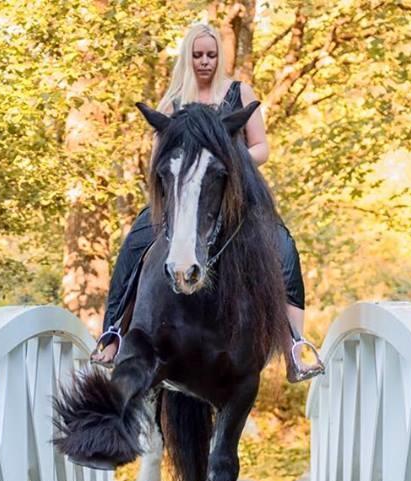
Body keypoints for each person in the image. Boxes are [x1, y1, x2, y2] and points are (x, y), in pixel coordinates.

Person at [91, 23, 324, 383]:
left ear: (220, 57)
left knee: (284, 246)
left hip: (232, 195)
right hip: (181, 198)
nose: (204, 61)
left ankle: (296, 346)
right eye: (197, 55)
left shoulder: (238, 93)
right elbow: (159, 156)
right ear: (189, 56)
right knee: (134, 244)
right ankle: (113, 333)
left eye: (210, 55)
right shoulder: (173, 101)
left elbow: (261, 147)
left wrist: (232, 159)